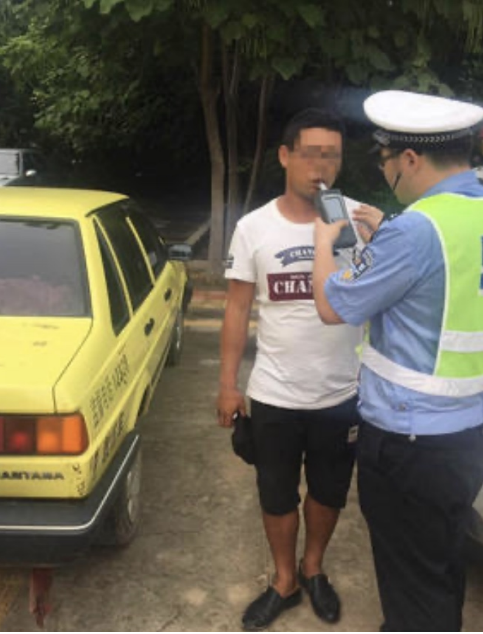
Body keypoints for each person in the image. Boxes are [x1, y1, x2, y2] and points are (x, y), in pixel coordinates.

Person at [312, 90, 483, 632]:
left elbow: (332, 306)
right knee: (439, 563)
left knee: (411, 586)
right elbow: (445, 282)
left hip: (411, 446)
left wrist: (323, 238)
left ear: (409, 159)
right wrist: (386, 240)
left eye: (385, 161)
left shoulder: (414, 230)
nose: (386, 173)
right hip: (473, 433)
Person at [216, 108, 364, 631]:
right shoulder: (254, 227)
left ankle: (313, 568)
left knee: (328, 491)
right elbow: (237, 308)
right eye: (310, 154)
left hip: (341, 392)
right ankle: (284, 580)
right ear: (284, 156)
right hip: (275, 393)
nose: (320, 166)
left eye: (332, 156)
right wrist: (228, 385)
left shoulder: (358, 221)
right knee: (276, 493)